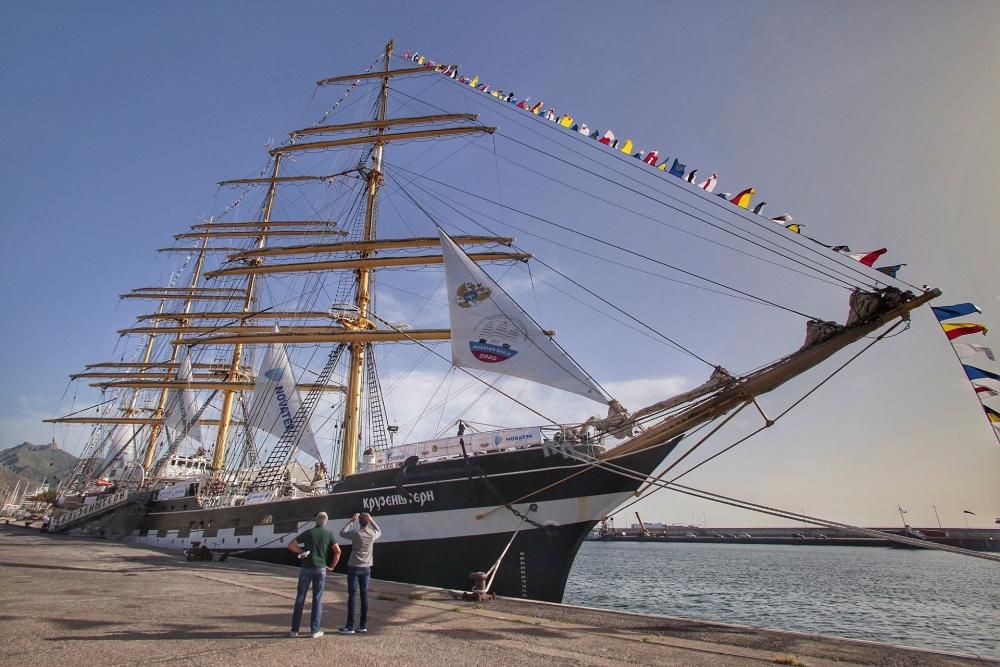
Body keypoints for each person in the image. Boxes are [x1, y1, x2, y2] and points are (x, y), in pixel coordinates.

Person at [288, 511, 341, 638]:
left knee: (300, 597)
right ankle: (315, 630)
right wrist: (332, 566)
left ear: (316, 521)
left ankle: (294, 630)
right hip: (321, 569)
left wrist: (302, 551)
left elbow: (291, 545)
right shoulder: (328, 534)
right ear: (325, 521)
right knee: (317, 599)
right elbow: (338, 551)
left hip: (306, 568)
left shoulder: (309, 532)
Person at [338, 512, 381, 634]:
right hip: (367, 568)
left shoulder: (356, 533)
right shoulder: (372, 534)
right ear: (368, 522)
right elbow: (379, 531)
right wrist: (372, 520)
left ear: (359, 522)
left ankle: (349, 626)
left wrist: (351, 521)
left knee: (352, 596)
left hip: (354, 567)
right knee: (364, 596)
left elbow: (342, 532)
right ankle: (362, 625)